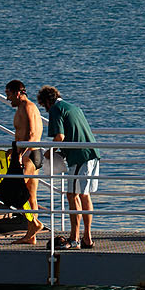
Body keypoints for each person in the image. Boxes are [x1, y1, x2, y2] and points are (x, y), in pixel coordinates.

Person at [40, 85, 101, 249]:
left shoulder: (55, 109)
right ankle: (87, 237)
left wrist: (49, 152)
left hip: (79, 157)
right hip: (92, 154)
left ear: (47, 102)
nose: (45, 110)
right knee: (84, 195)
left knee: (72, 195)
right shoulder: (74, 108)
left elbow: (60, 136)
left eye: (43, 106)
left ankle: (75, 238)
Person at [6, 79, 44, 244]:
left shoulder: (26, 107)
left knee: (17, 194)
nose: (8, 99)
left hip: (28, 155)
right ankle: (31, 236)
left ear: (17, 92)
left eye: (8, 94)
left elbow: (30, 134)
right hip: (32, 154)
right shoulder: (28, 107)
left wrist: (19, 154)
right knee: (30, 196)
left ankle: (35, 224)